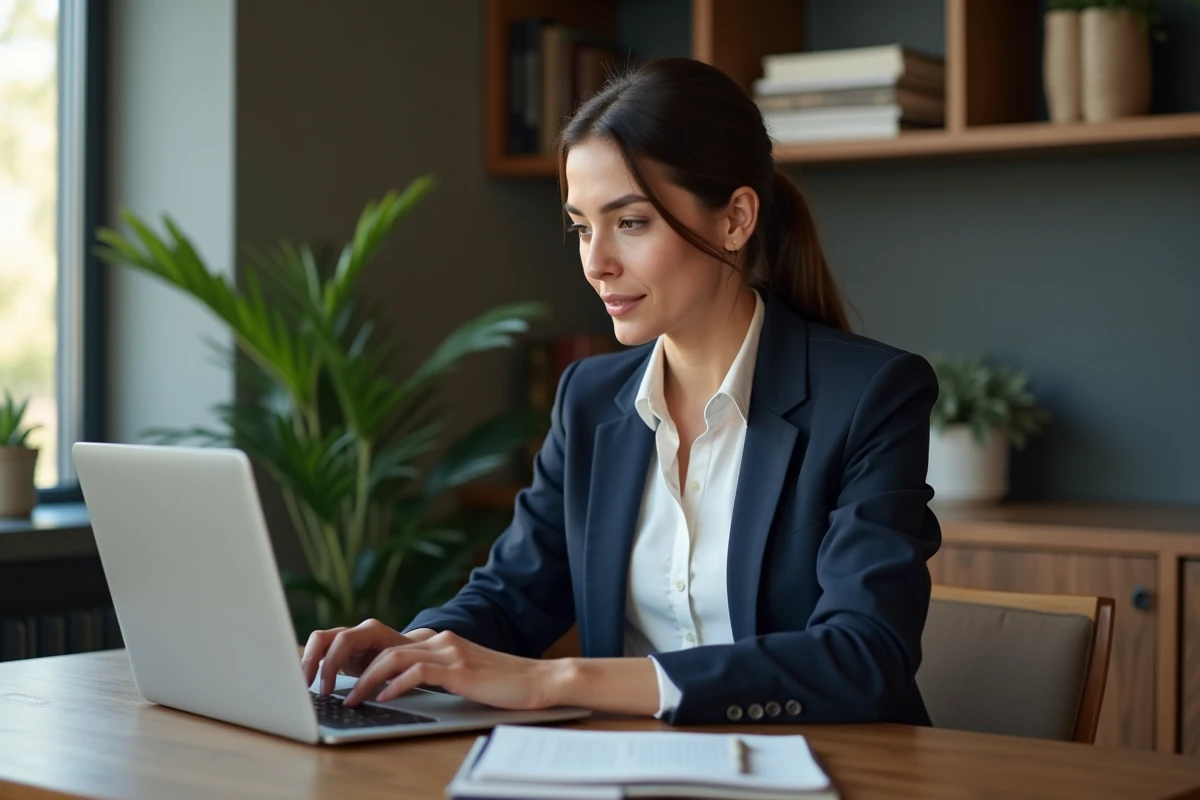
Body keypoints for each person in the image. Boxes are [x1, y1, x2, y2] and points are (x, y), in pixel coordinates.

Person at [301, 57, 941, 727]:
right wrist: (411, 650)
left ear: (736, 219)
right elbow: (513, 595)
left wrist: (560, 679)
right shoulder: (589, 398)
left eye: (630, 222)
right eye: (581, 226)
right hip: (633, 770)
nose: (595, 262)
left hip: (832, 771)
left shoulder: (871, 395)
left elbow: (863, 657)